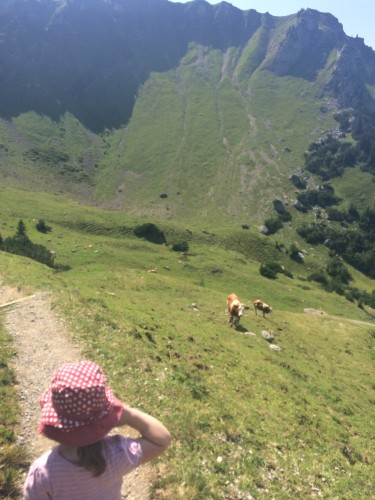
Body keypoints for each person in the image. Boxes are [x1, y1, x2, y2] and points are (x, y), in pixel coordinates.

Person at [23, 360, 172, 499]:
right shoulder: (117, 454)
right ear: (104, 419)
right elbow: (162, 439)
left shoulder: (43, 473)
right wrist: (128, 414)